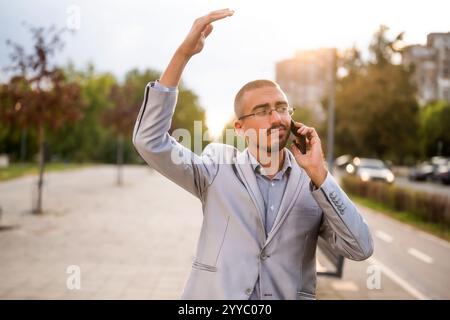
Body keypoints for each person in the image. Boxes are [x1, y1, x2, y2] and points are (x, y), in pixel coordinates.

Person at [132, 8, 373, 300]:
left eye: (282, 108)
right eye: (262, 111)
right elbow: (150, 140)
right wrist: (183, 54)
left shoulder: (315, 183)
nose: (276, 118)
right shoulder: (216, 168)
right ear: (241, 127)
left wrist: (319, 174)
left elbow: (360, 249)